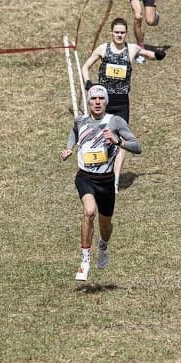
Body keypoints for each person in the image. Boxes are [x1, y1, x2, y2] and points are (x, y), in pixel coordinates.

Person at [61, 84, 142, 281]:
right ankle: (85, 260)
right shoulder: (80, 120)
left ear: (106, 101)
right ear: (88, 102)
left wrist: (117, 141)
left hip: (106, 181)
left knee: (105, 225)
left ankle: (103, 246)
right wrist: (69, 148)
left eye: (101, 99)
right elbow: (74, 132)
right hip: (85, 177)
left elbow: (137, 146)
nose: (97, 102)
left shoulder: (115, 121)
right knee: (89, 212)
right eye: (93, 99)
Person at [80, 19, 164, 189]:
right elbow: (85, 67)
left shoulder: (131, 49)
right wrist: (89, 84)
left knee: (122, 139)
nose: (119, 35)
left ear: (126, 33)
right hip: (104, 101)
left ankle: (115, 179)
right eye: (116, 32)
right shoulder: (103, 49)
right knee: (101, 136)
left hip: (122, 102)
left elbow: (148, 55)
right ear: (111, 32)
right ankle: (98, 172)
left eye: (122, 32)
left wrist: (159, 55)